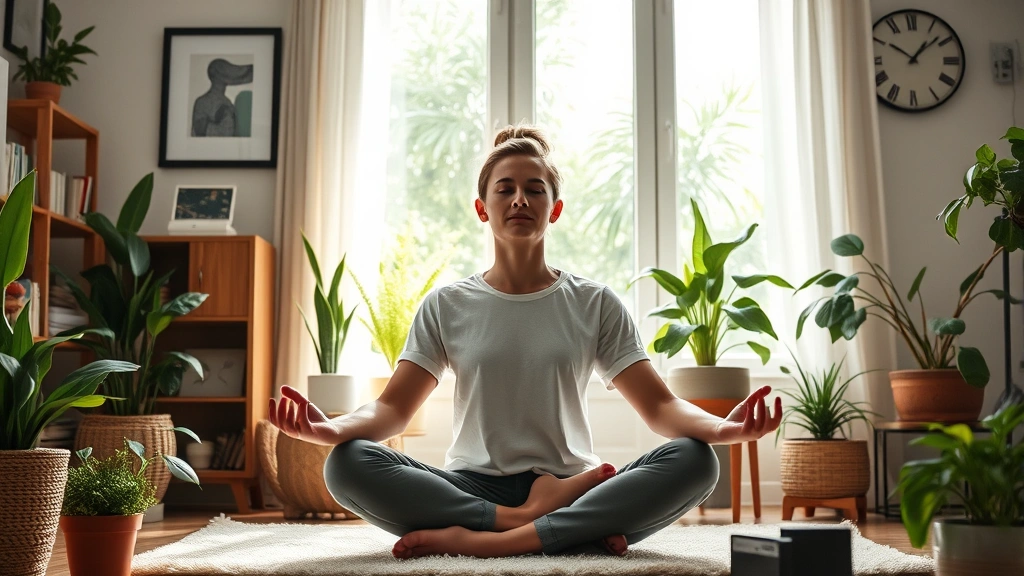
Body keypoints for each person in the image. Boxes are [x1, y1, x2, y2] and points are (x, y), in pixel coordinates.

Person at [269, 125, 782, 560]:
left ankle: (488, 543)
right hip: (470, 489)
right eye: (505, 188)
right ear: (482, 207)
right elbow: (391, 410)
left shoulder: (594, 302)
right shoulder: (447, 304)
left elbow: (661, 407)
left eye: (535, 189)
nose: (520, 199)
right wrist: (329, 427)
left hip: (573, 483)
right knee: (346, 462)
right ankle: (536, 525)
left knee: (697, 462)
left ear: (554, 209)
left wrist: (726, 426)